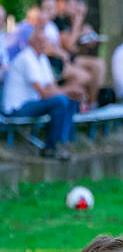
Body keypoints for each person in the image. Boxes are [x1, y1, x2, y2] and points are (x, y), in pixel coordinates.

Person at [2, 30, 79, 159]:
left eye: (45, 41)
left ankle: (63, 143)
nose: (44, 44)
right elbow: (43, 93)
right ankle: (53, 146)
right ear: (31, 43)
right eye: (41, 41)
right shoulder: (26, 58)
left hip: (32, 104)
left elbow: (51, 86)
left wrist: (70, 92)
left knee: (68, 101)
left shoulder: (42, 58)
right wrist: (68, 90)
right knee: (60, 101)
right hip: (16, 108)